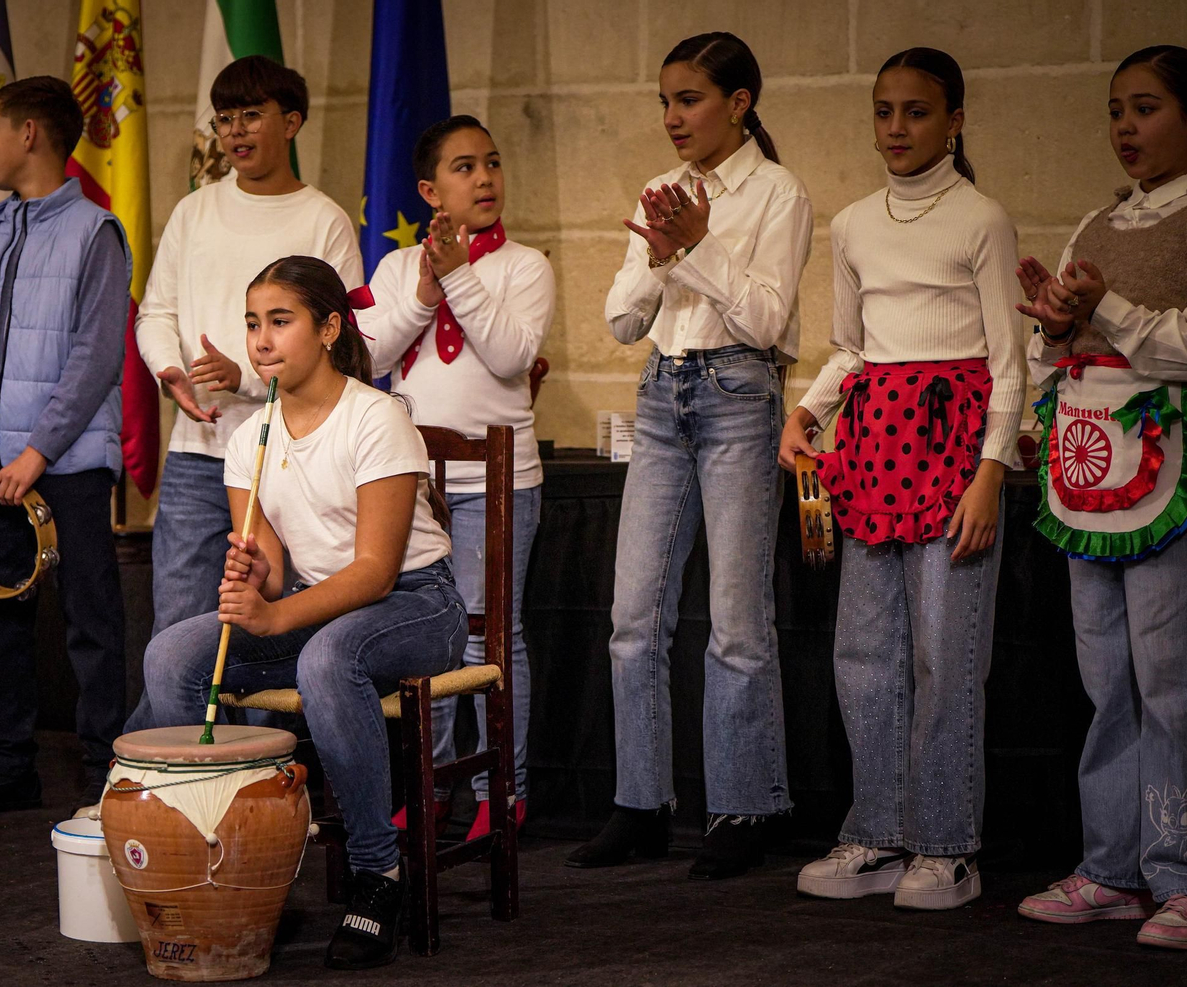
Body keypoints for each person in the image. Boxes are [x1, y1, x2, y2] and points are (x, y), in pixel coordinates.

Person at [136, 256, 466, 970]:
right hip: (321, 608)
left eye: (279, 321)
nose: (260, 339)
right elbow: (276, 568)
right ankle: (221, 852)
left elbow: (376, 572)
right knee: (170, 656)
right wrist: (256, 576)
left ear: (328, 328)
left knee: (327, 658)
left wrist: (275, 616)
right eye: (253, 323)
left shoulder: (376, 415)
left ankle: (378, 873)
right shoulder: (248, 435)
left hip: (417, 603)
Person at [780, 48, 1023, 910]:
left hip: (954, 448)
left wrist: (992, 472)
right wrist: (806, 409)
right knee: (862, 653)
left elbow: (1009, 360)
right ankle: (876, 830)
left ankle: (947, 845)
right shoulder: (852, 223)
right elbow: (852, 346)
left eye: (916, 112)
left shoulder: (982, 219)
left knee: (943, 654)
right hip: (874, 444)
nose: (896, 129)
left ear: (955, 119)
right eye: (884, 111)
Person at [565, 32, 811, 879]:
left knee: (738, 621)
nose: (673, 117)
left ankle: (747, 804)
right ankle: (640, 800)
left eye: (690, 99)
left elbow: (769, 323)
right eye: (664, 101)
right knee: (634, 615)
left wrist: (700, 253)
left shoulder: (777, 191)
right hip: (662, 392)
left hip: (740, 394)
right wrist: (662, 254)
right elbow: (623, 320)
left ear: (739, 103)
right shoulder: (663, 190)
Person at [1012, 45, 1187, 950]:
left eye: (1148, 108)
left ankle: (1185, 871)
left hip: (1164, 479)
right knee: (1106, 677)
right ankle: (1114, 865)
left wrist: (1106, 310)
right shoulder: (1097, 220)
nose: (1126, 127)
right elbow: (1067, 352)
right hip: (1089, 476)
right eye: (1117, 110)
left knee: (1172, 678)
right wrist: (1056, 321)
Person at [0, 76, 128, 816]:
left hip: (64, 467)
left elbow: (97, 354)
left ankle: (106, 768)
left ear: (32, 135)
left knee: (91, 620)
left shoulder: (95, 232)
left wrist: (37, 452)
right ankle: (9, 763)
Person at [359, 114, 553, 840]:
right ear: (428, 189)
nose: (485, 178)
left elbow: (508, 356)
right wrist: (424, 288)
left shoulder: (525, 266)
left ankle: (502, 786)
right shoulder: (392, 268)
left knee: (488, 638)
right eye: (466, 166)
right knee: (429, 640)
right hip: (415, 486)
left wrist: (460, 274)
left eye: (493, 163)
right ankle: (431, 781)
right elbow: (371, 352)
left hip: (499, 484)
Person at [135, 55, 361, 640]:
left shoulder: (323, 219)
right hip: (198, 449)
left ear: (291, 123)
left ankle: (268, 736)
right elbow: (156, 312)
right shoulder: (195, 210)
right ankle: (179, 733)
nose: (234, 130)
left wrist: (248, 379)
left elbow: (344, 341)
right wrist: (169, 369)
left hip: (286, 454)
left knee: (271, 623)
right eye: (224, 118)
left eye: (251, 115)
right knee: (178, 623)